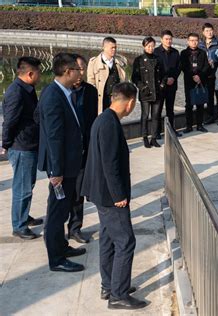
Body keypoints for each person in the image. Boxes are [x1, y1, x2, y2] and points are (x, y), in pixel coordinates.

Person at [81, 82, 146, 310]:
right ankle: (118, 294)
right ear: (129, 102)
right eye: (134, 103)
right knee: (126, 241)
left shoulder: (105, 119)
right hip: (110, 195)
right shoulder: (108, 124)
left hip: (101, 192)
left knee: (108, 239)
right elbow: (110, 164)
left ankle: (109, 285)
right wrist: (119, 195)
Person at [37, 53, 85, 272]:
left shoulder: (61, 92)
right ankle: (56, 259)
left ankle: (62, 247)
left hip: (68, 163)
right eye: (77, 69)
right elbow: (54, 136)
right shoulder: (53, 95)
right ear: (68, 71)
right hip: (61, 168)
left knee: (63, 209)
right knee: (57, 213)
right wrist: (56, 171)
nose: (80, 72)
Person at [2, 57, 43, 239]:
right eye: (39, 73)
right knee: (22, 187)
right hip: (21, 146)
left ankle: (23, 215)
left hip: (29, 143)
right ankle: (19, 225)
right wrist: (6, 143)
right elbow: (9, 121)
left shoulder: (27, 89)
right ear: (30, 74)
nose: (40, 77)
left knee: (28, 184)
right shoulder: (16, 92)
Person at [66, 54, 98, 244]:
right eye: (77, 68)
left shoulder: (91, 91)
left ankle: (75, 228)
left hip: (83, 149)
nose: (80, 73)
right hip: (65, 151)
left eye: (82, 69)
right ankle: (57, 229)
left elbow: (92, 119)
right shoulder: (63, 92)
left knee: (78, 192)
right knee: (63, 194)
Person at [132, 37, 163, 148]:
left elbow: (163, 74)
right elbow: (134, 77)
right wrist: (142, 87)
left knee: (155, 116)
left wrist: (162, 85)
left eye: (152, 46)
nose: (150, 48)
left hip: (157, 92)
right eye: (148, 46)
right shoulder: (139, 60)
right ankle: (144, 137)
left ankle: (153, 138)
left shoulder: (158, 59)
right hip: (145, 92)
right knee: (145, 115)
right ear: (144, 46)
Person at [180, 33, 210, 133]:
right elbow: (183, 67)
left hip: (201, 81)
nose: (194, 42)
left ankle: (199, 125)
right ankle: (189, 126)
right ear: (188, 41)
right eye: (192, 40)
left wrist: (199, 76)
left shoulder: (202, 52)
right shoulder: (184, 53)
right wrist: (193, 76)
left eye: (196, 40)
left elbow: (206, 66)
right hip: (189, 81)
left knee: (200, 103)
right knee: (188, 104)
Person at [154, 30, 181, 137]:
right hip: (160, 85)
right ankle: (157, 132)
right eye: (166, 39)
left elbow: (179, 67)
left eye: (170, 39)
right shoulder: (156, 52)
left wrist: (173, 78)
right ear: (161, 40)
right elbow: (156, 69)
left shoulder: (175, 52)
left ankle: (171, 130)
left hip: (172, 85)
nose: (169, 41)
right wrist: (165, 79)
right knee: (158, 109)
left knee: (170, 109)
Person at [87, 37, 126, 113]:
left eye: (115, 48)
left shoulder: (119, 63)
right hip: (101, 99)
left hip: (116, 99)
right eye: (112, 48)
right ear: (104, 47)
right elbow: (91, 81)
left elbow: (123, 81)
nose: (114, 50)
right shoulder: (94, 62)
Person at [199, 23, 218, 126]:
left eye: (211, 30)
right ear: (203, 32)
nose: (209, 32)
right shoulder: (200, 44)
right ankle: (210, 117)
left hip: (217, 73)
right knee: (208, 97)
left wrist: (214, 60)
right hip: (206, 74)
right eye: (207, 31)